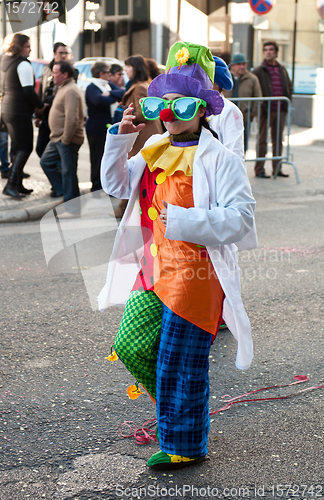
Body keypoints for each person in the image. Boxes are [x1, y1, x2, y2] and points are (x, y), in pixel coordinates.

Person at [99, 42, 255, 470]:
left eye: (181, 104)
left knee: (180, 362)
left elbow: (242, 219)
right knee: (131, 346)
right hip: (152, 270)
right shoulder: (153, 152)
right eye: (160, 104)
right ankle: (180, 409)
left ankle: (185, 442)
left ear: (203, 109)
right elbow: (114, 185)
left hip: (196, 276)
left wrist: (186, 220)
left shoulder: (220, 159)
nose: (169, 113)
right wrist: (122, 138)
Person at [113, 54, 163, 219]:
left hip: (144, 136)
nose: (125, 70)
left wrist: (128, 112)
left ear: (136, 68)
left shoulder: (140, 87)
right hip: (142, 136)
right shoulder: (138, 85)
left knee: (137, 172)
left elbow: (146, 112)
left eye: (128, 67)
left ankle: (125, 209)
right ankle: (124, 208)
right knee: (137, 172)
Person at [1, 33, 45, 199]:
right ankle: (11, 184)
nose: (30, 49)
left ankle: (18, 183)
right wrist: (40, 106)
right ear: (19, 46)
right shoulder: (23, 64)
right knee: (25, 148)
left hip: (6, 108)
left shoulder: (4, 61)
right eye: (27, 46)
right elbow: (28, 90)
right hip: (19, 110)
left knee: (17, 147)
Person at [40, 61, 84, 218]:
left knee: (68, 172)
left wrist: (65, 139)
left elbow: (72, 118)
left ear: (65, 74)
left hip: (67, 139)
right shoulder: (63, 87)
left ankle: (72, 208)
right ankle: (67, 196)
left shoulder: (71, 90)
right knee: (46, 162)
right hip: (57, 138)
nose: (53, 75)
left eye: (56, 72)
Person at [252, 41, 293, 178]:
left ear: (276, 53)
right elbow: (254, 90)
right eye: (265, 50)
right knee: (262, 140)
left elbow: (289, 86)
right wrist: (258, 107)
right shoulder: (258, 70)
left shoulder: (282, 69)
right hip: (265, 110)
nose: (268, 52)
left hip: (280, 109)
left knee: (278, 140)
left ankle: (277, 168)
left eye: (271, 50)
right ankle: (259, 169)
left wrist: (288, 100)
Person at [85, 61, 125, 192]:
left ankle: (107, 185)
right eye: (108, 71)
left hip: (108, 127)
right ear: (101, 73)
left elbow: (122, 92)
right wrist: (113, 97)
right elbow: (99, 101)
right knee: (97, 158)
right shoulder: (92, 87)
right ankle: (96, 186)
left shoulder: (108, 85)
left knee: (109, 157)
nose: (110, 74)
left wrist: (110, 94)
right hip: (96, 129)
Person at [36, 42, 78, 158]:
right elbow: (41, 91)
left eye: (65, 53)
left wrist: (47, 102)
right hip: (46, 113)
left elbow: (66, 91)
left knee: (57, 151)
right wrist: (38, 111)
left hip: (60, 115)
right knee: (40, 148)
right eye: (60, 53)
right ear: (54, 53)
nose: (63, 56)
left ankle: (58, 170)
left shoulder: (71, 71)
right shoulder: (46, 69)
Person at [224, 53, 262, 153]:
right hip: (227, 115)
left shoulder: (252, 78)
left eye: (244, 64)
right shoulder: (225, 77)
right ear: (232, 65)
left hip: (244, 116)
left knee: (242, 143)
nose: (242, 66)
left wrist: (251, 114)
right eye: (239, 64)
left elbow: (258, 98)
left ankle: (241, 162)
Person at [208, 56, 245, 161]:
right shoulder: (195, 107)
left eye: (206, 79)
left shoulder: (229, 110)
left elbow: (234, 154)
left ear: (217, 83)